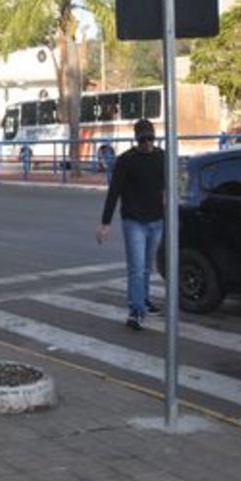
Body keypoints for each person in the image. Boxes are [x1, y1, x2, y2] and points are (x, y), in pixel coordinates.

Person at [97, 118, 165, 330]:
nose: (147, 144)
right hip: (134, 221)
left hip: (156, 220)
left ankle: (143, 300)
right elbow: (114, 191)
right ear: (137, 140)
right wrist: (105, 223)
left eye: (150, 139)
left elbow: (169, 186)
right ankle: (135, 310)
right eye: (143, 140)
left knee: (146, 267)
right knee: (136, 267)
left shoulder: (162, 157)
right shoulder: (126, 160)